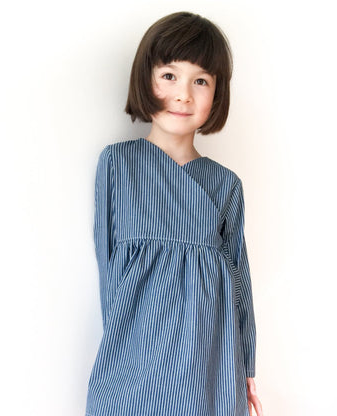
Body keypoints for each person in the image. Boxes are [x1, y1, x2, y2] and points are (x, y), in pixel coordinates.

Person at [85, 11, 263, 416]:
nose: (184, 94)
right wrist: (122, 349)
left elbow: (239, 279)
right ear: (144, 79)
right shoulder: (118, 165)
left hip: (210, 359)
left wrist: (247, 363)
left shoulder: (225, 185)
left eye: (200, 81)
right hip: (135, 355)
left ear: (217, 94)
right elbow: (108, 266)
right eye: (169, 75)